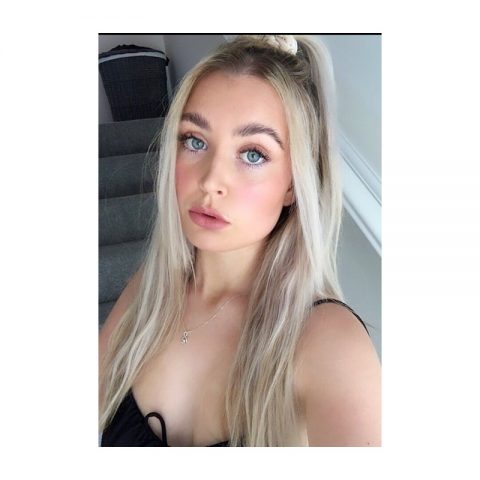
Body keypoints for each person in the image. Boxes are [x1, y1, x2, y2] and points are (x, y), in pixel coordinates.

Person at [99, 34, 381, 447]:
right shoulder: (149, 290)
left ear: (293, 185)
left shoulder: (328, 343)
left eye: (253, 154)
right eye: (195, 141)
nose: (211, 180)